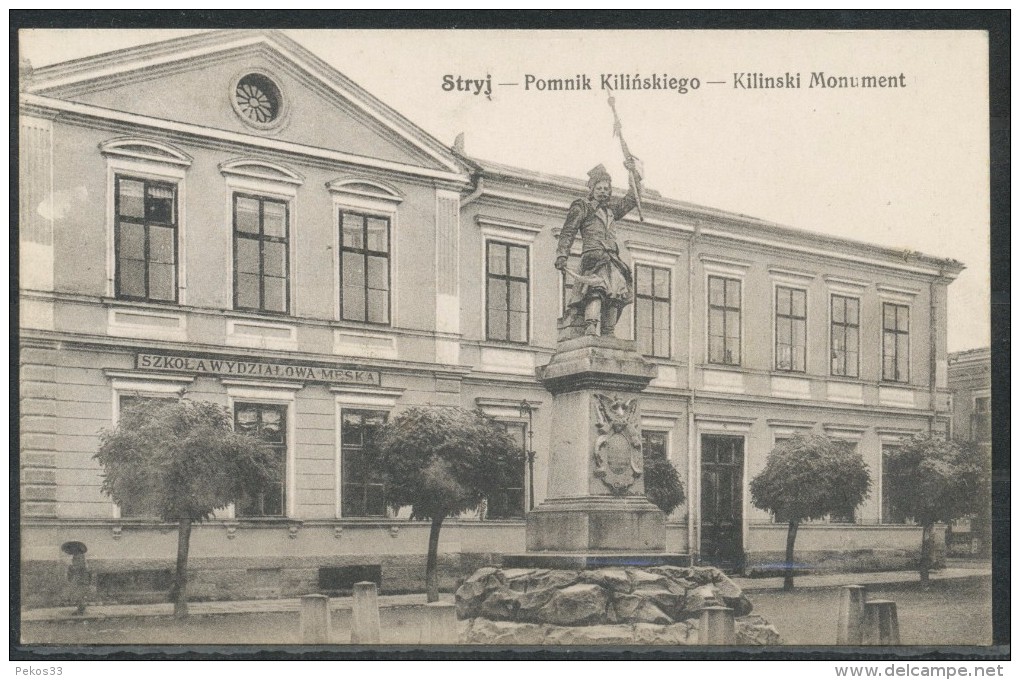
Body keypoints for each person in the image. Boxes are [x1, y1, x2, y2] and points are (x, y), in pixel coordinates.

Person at [555, 161, 642, 337]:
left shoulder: (612, 210)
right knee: (595, 291)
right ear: (592, 189)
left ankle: (609, 331)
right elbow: (568, 231)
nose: (603, 191)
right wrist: (562, 255)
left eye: (606, 188)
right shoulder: (582, 207)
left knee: (616, 294)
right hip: (593, 258)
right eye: (599, 187)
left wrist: (633, 174)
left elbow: (633, 198)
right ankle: (590, 327)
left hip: (612, 259)